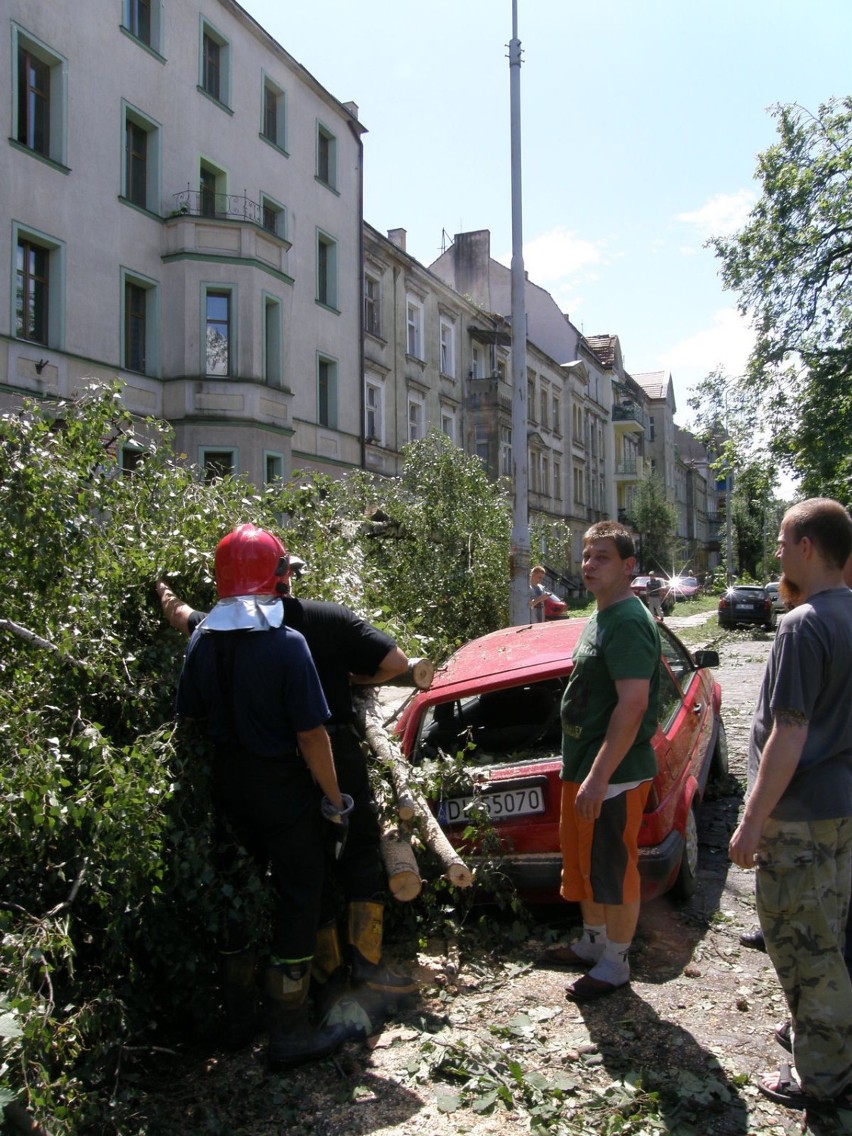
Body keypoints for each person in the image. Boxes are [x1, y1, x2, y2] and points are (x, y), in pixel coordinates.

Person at [158, 544, 417, 1009]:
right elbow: (396, 666)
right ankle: (365, 967)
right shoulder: (325, 620)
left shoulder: (212, 632)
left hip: (248, 770)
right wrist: (355, 682)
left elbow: (183, 619)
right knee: (351, 853)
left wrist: (160, 589)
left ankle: (319, 976)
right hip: (322, 749)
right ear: (282, 575)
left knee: (289, 870)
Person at [174, 524, 349, 1071]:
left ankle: (236, 1019)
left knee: (233, 892)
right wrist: (335, 797)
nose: (286, 579)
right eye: (282, 570)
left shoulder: (201, 639)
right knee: (299, 894)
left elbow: (189, 718)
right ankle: (289, 1031)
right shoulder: (287, 643)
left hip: (228, 788)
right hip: (283, 792)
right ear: (270, 576)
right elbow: (312, 736)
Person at [728, 498, 852, 1111]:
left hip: (798, 816)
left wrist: (751, 823)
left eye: (782, 540)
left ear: (808, 547)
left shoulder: (804, 624)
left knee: (805, 948)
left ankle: (826, 1079)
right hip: (839, 811)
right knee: (827, 933)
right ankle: (820, 1043)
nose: (777, 551)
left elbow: (790, 731)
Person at [540, 521, 660, 1001]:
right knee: (584, 859)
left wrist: (597, 777)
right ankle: (593, 943)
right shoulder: (600, 614)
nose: (589, 564)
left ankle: (616, 962)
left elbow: (632, 706)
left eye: (603, 557)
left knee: (613, 866)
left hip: (613, 773)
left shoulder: (629, 620)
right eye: (587, 555)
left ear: (629, 567)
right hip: (586, 764)